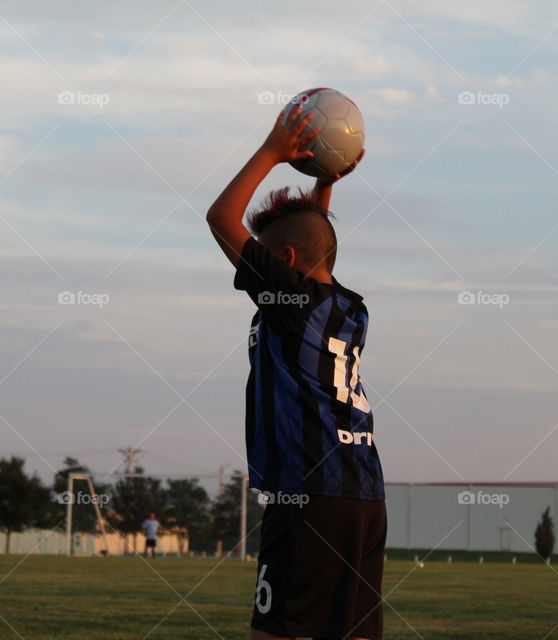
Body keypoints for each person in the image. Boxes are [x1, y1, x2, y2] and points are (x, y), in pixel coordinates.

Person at [206, 106, 386, 640]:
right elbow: (315, 241)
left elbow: (220, 219)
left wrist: (272, 151)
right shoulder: (345, 305)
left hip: (306, 494)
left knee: (278, 631)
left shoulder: (291, 302)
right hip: (363, 497)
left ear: (282, 260)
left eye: (261, 260)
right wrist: (321, 182)